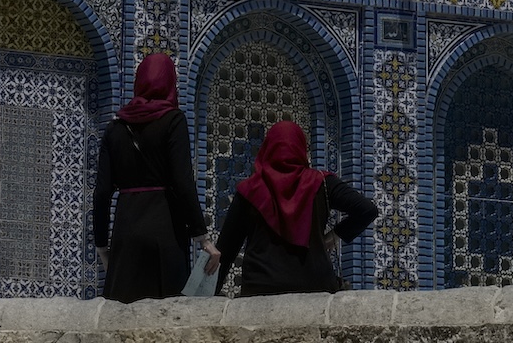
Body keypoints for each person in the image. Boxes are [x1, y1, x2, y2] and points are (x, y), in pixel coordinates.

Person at [94, 53, 221, 302]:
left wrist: (102, 247)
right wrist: (203, 239)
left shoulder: (115, 128)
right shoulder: (174, 120)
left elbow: (102, 192)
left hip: (126, 229)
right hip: (166, 230)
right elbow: (183, 181)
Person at [212, 120, 377, 296]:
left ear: (268, 148)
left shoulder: (249, 190)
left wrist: (207, 294)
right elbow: (367, 210)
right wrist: (334, 235)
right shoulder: (322, 183)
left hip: (261, 288)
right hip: (315, 289)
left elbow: (225, 249)